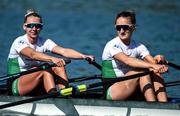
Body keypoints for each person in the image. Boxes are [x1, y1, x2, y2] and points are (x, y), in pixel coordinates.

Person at [7, 9, 94, 96]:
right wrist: (52, 59)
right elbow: (32, 54)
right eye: (30, 26)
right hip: (16, 84)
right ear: (24, 27)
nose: (34, 29)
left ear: (41, 27)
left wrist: (83, 56)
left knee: (59, 66)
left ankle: (65, 94)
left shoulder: (44, 42)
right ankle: (53, 96)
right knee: (45, 69)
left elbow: (64, 51)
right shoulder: (19, 42)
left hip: (36, 80)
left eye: (37, 26)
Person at [102, 10, 168, 102]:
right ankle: (153, 105)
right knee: (142, 71)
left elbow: (153, 63)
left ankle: (164, 104)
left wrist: (158, 59)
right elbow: (127, 60)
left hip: (131, 86)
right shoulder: (112, 45)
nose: (121, 31)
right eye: (118, 27)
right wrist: (153, 65)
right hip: (112, 91)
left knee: (155, 71)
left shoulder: (139, 46)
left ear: (133, 27)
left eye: (125, 27)